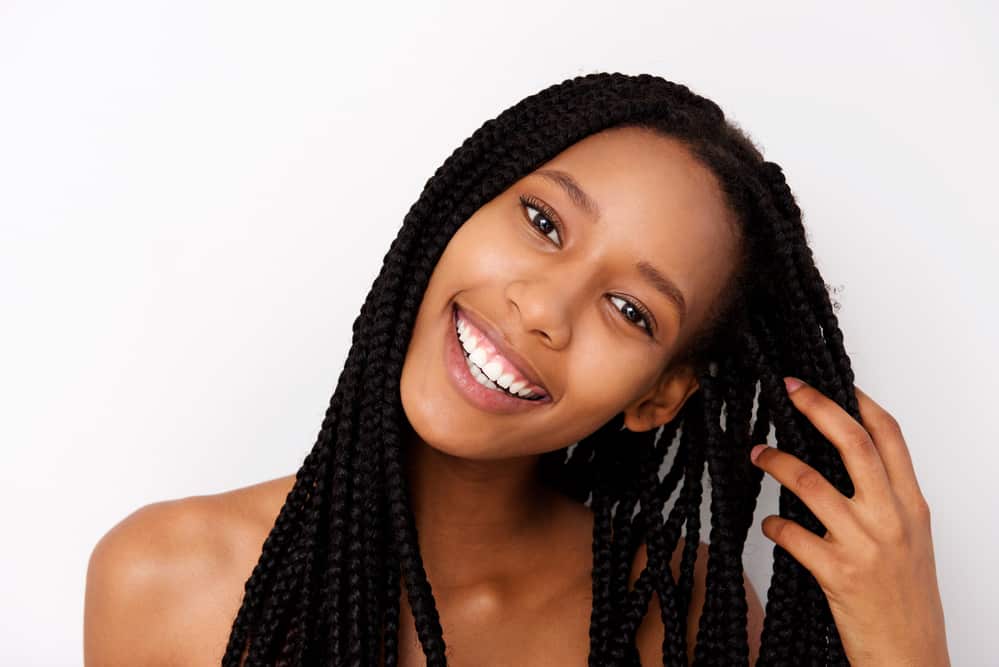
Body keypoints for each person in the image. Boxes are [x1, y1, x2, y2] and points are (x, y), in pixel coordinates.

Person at [83, 72, 949, 666]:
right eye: (542, 220)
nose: (542, 308)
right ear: (458, 206)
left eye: (630, 311)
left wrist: (906, 646)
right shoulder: (162, 578)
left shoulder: (676, 617)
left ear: (657, 395)